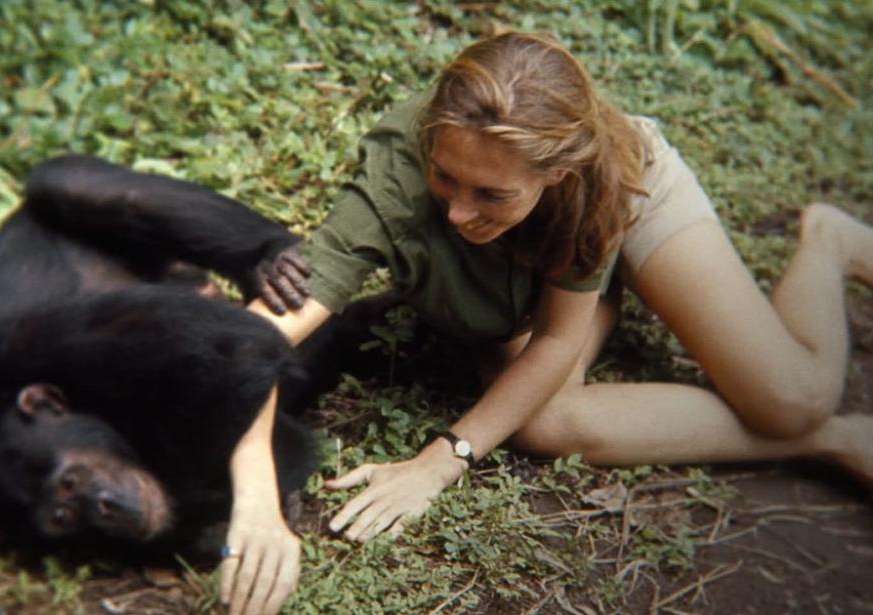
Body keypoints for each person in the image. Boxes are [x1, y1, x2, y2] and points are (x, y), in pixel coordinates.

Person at [218, 31, 873, 615]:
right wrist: (256, 500)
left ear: (556, 174)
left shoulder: (596, 177)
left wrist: (438, 464)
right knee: (542, 421)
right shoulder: (399, 174)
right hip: (534, 279)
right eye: (446, 178)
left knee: (795, 398)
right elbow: (254, 343)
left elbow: (558, 338)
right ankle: (830, 440)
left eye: (490, 194)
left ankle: (828, 242)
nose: (457, 214)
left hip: (631, 208)